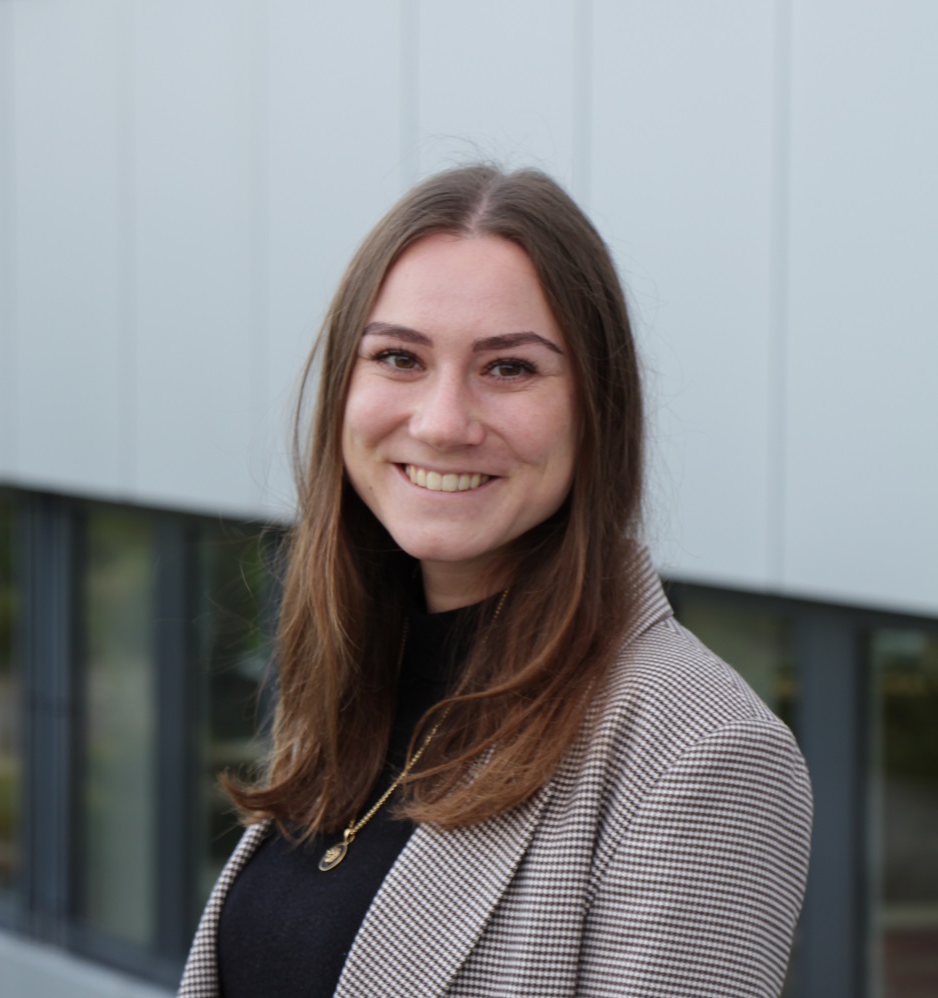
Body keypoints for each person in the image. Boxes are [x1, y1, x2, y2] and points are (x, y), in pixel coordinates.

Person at [179, 165, 813, 997]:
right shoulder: (356, 672)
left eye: (509, 369)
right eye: (399, 357)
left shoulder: (698, 755)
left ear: (597, 408)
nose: (442, 423)